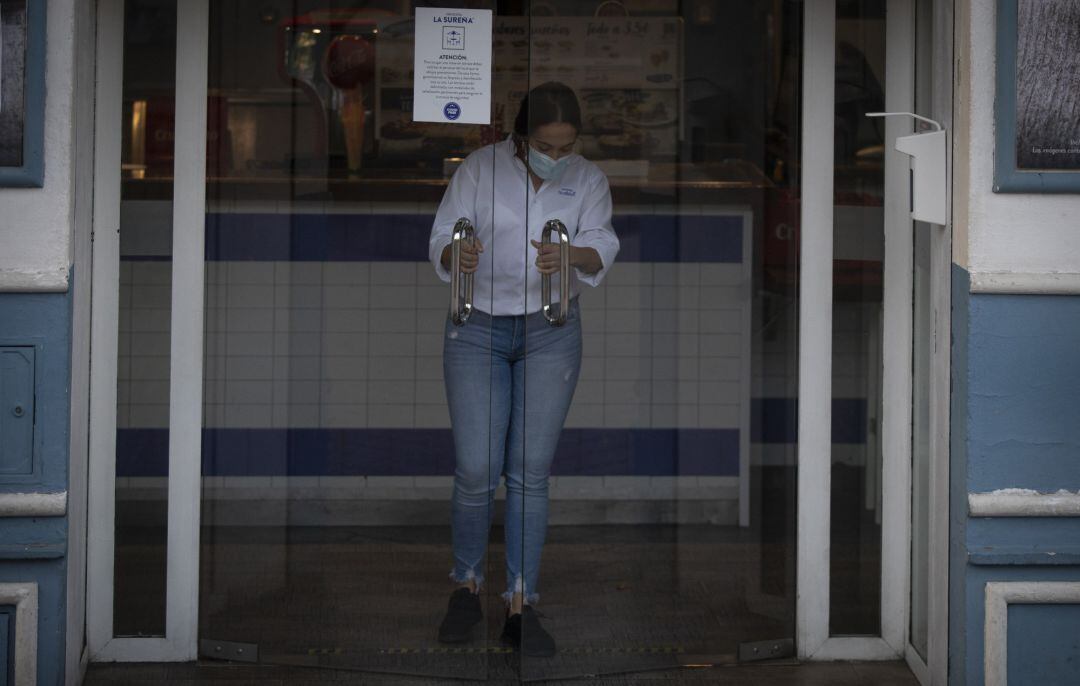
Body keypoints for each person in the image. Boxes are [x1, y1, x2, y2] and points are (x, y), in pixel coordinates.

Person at [428, 81, 619, 657]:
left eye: (565, 147)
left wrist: (573, 255)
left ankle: (520, 600)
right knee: (478, 467)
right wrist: (452, 253)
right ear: (519, 139)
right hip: (478, 329)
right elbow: (442, 233)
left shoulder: (586, 179)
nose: (555, 157)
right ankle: (465, 585)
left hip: (551, 331)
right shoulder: (479, 170)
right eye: (544, 146)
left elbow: (603, 243)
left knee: (530, 471)